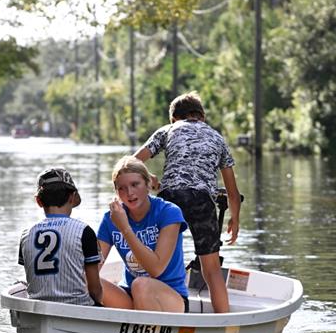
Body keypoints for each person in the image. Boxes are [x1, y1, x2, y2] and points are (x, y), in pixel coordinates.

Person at [133, 91, 241, 313]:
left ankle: (156, 309)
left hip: (170, 198)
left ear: (174, 118)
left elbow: (133, 162)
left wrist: (150, 178)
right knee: (211, 269)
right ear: (202, 116)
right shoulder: (216, 137)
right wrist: (235, 220)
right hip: (203, 200)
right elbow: (232, 190)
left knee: (160, 261)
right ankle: (224, 323)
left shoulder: (168, 130)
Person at [97, 156, 189, 313]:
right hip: (130, 295)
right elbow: (93, 266)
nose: (129, 193)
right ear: (116, 192)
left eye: (135, 184)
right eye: (122, 188)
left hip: (170, 298)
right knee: (86, 281)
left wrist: (125, 228)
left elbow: (156, 269)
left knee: (141, 284)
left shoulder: (169, 212)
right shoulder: (111, 218)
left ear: (148, 184)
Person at [18, 167, 103, 306]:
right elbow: (95, 289)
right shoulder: (84, 231)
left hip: (37, 307)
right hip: (76, 306)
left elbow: (32, 278)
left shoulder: (26, 235)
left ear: (39, 201)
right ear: (72, 197)